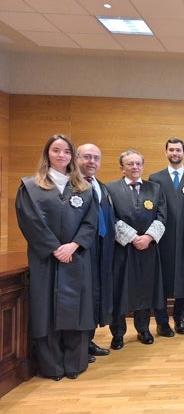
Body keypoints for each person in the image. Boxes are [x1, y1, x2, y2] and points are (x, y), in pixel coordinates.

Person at [15, 134, 98, 380]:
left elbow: (90, 223)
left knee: (77, 310)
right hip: (46, 260)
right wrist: (55, 248)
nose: (62, 155)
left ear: (72, 156)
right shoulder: (30, 186)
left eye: (66, 151)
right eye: (56, 150)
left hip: (76, 259)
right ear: (47, 153)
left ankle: (74, 364)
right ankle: (52, 367)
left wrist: (73, 246)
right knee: (46, 311)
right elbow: (30, 222)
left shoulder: (83, 188)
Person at [106, 150, 166, 350]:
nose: (134, 167)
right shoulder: (110, 189)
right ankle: (118, 333)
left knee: (145, 289)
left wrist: (148, 237)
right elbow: (109, 217)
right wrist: (132, 237)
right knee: (119, 290)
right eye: (129, 164)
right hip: (122, 250)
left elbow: (162, 216)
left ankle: (144, 329)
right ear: (121, 167)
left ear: (143, 166)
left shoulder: (155, 189)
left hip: (147, 249)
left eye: (138, 164)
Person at [148, 138, 184, 337]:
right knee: (160, 281)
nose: (175, 153)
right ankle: (162, 322)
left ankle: (179, 318)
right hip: (161, 239)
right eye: (171, 150)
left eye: (178, 150)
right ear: (165, 152)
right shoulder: (155, 179)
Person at [76, 143, 116, 363]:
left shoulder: (101, 186)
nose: (92, 162)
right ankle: (78, 345)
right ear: (77, 158)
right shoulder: (71, 186)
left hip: (102, 249)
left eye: (96, 158)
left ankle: (88, 341)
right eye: (87, 157)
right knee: (83, 296)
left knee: (96, 295)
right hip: (82, 250)